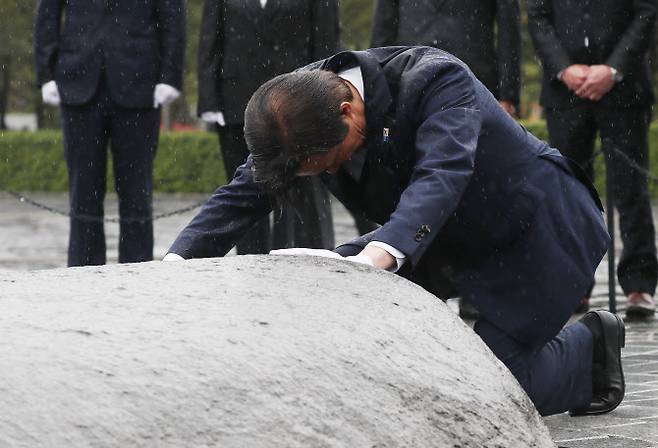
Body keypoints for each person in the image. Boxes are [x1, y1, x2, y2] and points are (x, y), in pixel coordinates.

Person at [165, 46, 625, 417]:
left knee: (493, 391)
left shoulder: (436, 79)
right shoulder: (298, 107)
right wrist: (175, 265)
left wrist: (376, 257)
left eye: (324, 164)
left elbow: (440, 176)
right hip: (436, 238)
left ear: (348, 110)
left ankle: (592, 351)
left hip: (532, 230)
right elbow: (247, 189)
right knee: (349, 308)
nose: (319, 175)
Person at [527, 0, 657, 317]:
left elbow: (646, 12)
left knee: (631, 189)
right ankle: (573, 284)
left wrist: (613, 69)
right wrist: (564, 68)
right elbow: (538, 16)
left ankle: (639, 285)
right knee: (569, 193)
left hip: (625, 90)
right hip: (565, 91)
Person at [33, 0, 186, 266]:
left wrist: (170, 75)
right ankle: (83, 274)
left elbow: (173, 15)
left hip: (140, 83)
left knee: (137, 194)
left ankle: (137, 274)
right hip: (78, 81)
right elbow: (47, 13)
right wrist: (45, 72)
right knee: (83, 194)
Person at [196, 0, 339, 254]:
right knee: (246, 187)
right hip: (236, 100)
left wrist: (324, 99)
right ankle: (251, 265)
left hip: (297, 104)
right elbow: (211, 41)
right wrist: (209, 98)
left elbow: (325, 43)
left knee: (303, 192)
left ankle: (307, 264)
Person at [370, 0, 521, 117]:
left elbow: (509, 32)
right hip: (408, 85)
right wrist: (378, 88)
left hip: (474, 86)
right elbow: (383, 30)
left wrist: (508, 96)